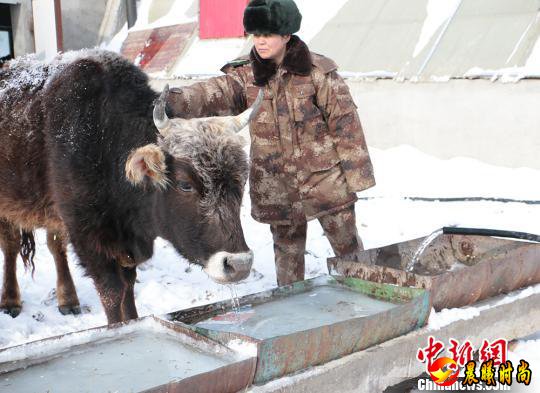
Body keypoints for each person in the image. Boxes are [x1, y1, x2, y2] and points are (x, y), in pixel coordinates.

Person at [166, 0, 375, 286]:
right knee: (287, 263)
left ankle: (366, 297)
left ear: (286, 35)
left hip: (325, 183)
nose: (261, 41)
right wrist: (172, 100)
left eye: (268, 34)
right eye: (256, 34)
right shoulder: (244, 76)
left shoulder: (318, 74)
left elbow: (346, 126)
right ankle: (292, 315)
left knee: (348, 251)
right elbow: (211, 92)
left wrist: (357, 177)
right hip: (277, 188)